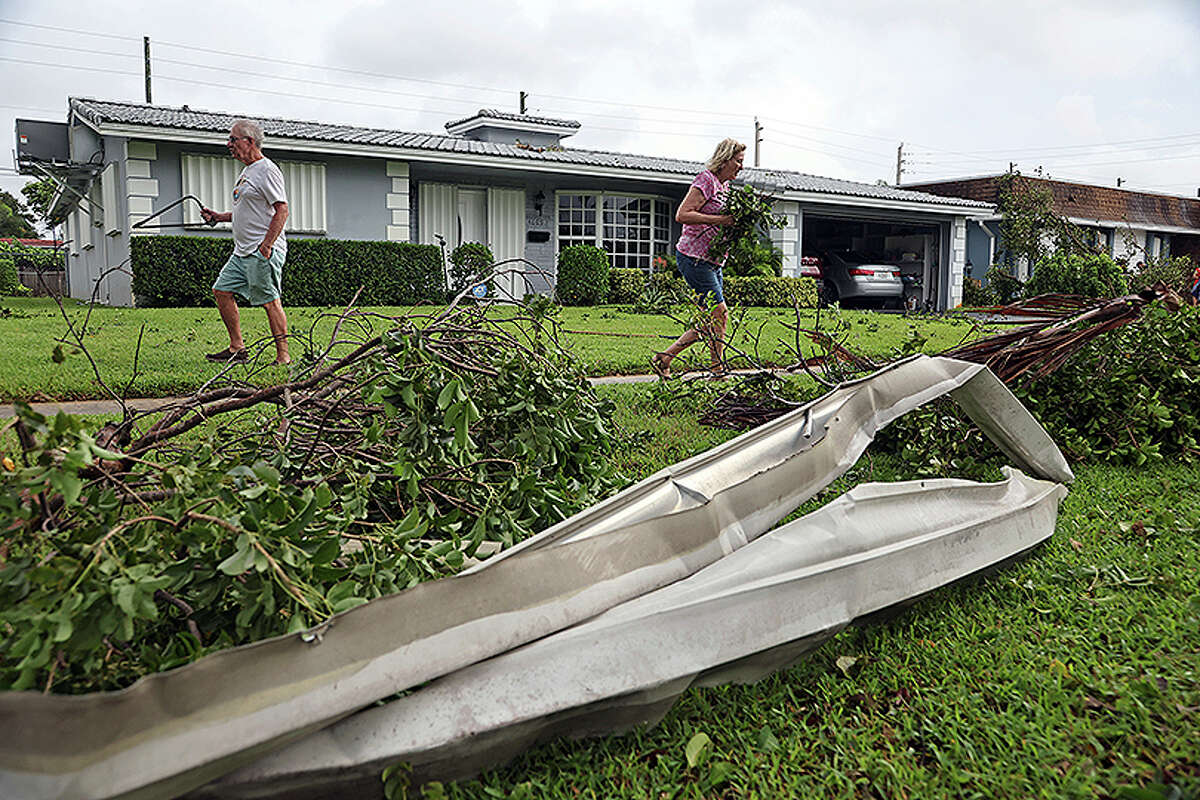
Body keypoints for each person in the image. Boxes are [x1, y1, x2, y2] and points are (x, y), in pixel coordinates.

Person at [650, 138, 745, 379]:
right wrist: (721, 221)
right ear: (725, 159)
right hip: (694, 257)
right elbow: (682, 214)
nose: (741, 166)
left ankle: (664, 358)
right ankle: (717, 370)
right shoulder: (706, 180)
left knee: (709, 320)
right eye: (739, 161)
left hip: (712, 261)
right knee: (720, 313)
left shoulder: (725, 188)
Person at [200, 119, 290, 364]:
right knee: (221, 291)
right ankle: (237, 348)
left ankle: (284, 356)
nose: (229, 144)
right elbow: (248, 211)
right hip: (241, 252)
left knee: (270, 302)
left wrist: (267, 245)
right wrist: (220, 217)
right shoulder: (247, 172)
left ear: (249, 141)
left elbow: (281, 209)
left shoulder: (267, 170)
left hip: (261, 251)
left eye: (233, 139)